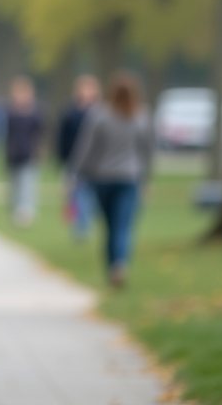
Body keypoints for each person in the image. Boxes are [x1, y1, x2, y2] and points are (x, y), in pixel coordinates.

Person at [66, 71, 154, 288]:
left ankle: (112, 268)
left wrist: (76, 172)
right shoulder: (142, 116)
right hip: (130, 178)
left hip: (102, 179)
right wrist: (146, 178)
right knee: (123, 225)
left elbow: (86, 148)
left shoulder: (100, 115)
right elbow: (148, 152)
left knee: (109, 226)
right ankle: (120, 265)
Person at [57, 74, 100, 241]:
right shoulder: (70, 113)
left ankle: (86, 224)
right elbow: (63, 138)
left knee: (91, 195)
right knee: (77, 195)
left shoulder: (100, 112)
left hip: (95, 162)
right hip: (74, 160)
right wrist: (63, 158)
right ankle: (81, 228)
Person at [3, 76, 43, 227]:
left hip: (29, 153)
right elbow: (7, 135)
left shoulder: (35, 112)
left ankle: (27, 213)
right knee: (15, 185)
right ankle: (15, 211)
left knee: (28, 184)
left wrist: (38, 151)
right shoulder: (11, 113)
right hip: (14, 154)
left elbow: (40, 133)